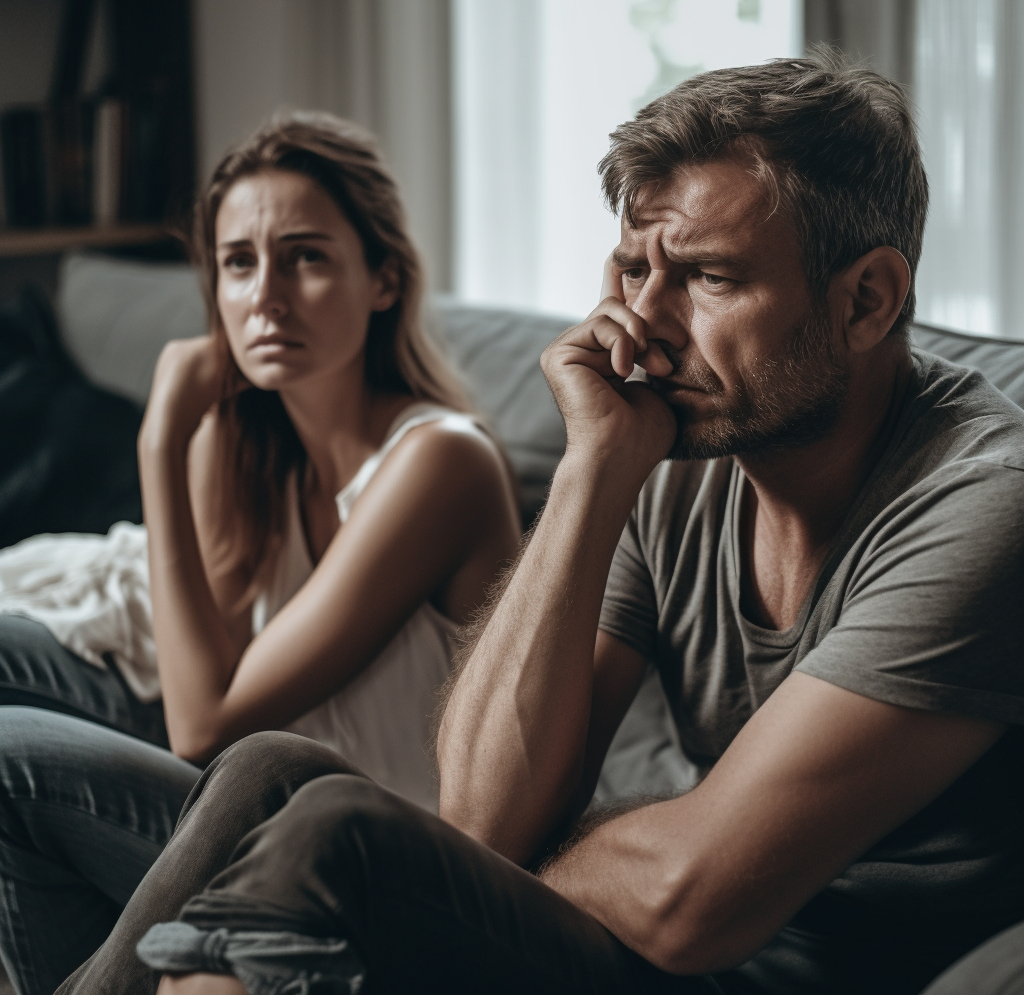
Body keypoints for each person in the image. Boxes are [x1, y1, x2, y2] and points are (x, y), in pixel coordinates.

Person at [53, 52, 1024, 995]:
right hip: (681, 942)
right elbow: (482, 810)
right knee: (271, 770)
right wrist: (593, 468)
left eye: (709, 278)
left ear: (867, 299)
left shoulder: (985, 501)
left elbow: (687, 896)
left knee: (340, 836)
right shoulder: (672, 448)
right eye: (633, 269)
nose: (642, 323)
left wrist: (427, 887)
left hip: (807, 967)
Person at [0, 112, 519, 995]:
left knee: (9, 754)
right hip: (259, 824)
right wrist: (193, 443)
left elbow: (203, 724)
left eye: (307, 257)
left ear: (383, 278)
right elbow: (193, 696)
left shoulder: (441, 461)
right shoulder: (244, 451)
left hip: (393, 869)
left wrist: (159, 440)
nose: (265, 296)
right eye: (239, 262)